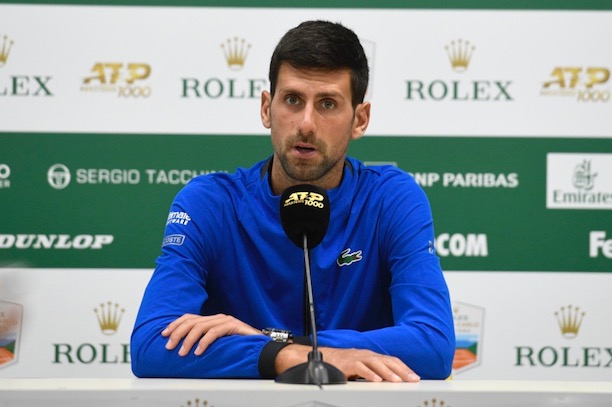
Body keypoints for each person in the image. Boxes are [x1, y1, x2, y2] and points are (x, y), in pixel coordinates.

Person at [131, 20, 455, 382]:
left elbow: (433, 345)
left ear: (359, 120)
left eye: (328, 104)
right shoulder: (209, 203)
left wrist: (275, 345)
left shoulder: (391, 199)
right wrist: (288, 355)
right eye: (292, 100)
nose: (306, 124)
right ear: (266, 109)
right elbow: (150, 345)